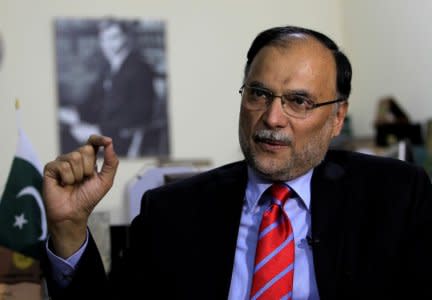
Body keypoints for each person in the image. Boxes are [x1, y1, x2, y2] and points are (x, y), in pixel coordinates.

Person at [41, 25, 432, 299]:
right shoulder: (172, 211)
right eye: (259, 94)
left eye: (299, 101)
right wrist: (70, 229)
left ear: (337, 119)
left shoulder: (397, 197)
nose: (273, 118)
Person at [59, 18, 164, 157]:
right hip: (100, 131)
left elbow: (141, 113)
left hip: (121, 140)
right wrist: (77, 113)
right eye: (103, 40)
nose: (108, 45)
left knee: (65, 147)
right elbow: (93, 100)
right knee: (61, 133)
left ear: (126, 38)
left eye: (114, 38)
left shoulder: (140, 69)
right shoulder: (107, 68)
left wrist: (100, 130)